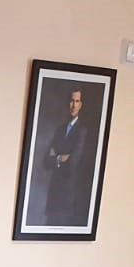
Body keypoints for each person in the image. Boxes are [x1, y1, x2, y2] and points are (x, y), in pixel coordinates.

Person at [43, 88, 91, 226]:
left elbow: (73, 162)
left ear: (81, 105)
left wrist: (56, 157)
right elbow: (46, 161)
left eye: (77, 101)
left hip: (69, 197)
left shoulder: (82, 131)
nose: (74, 105)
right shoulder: (59, 130)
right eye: (71, 101)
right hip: (54, 196)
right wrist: (60, 158)